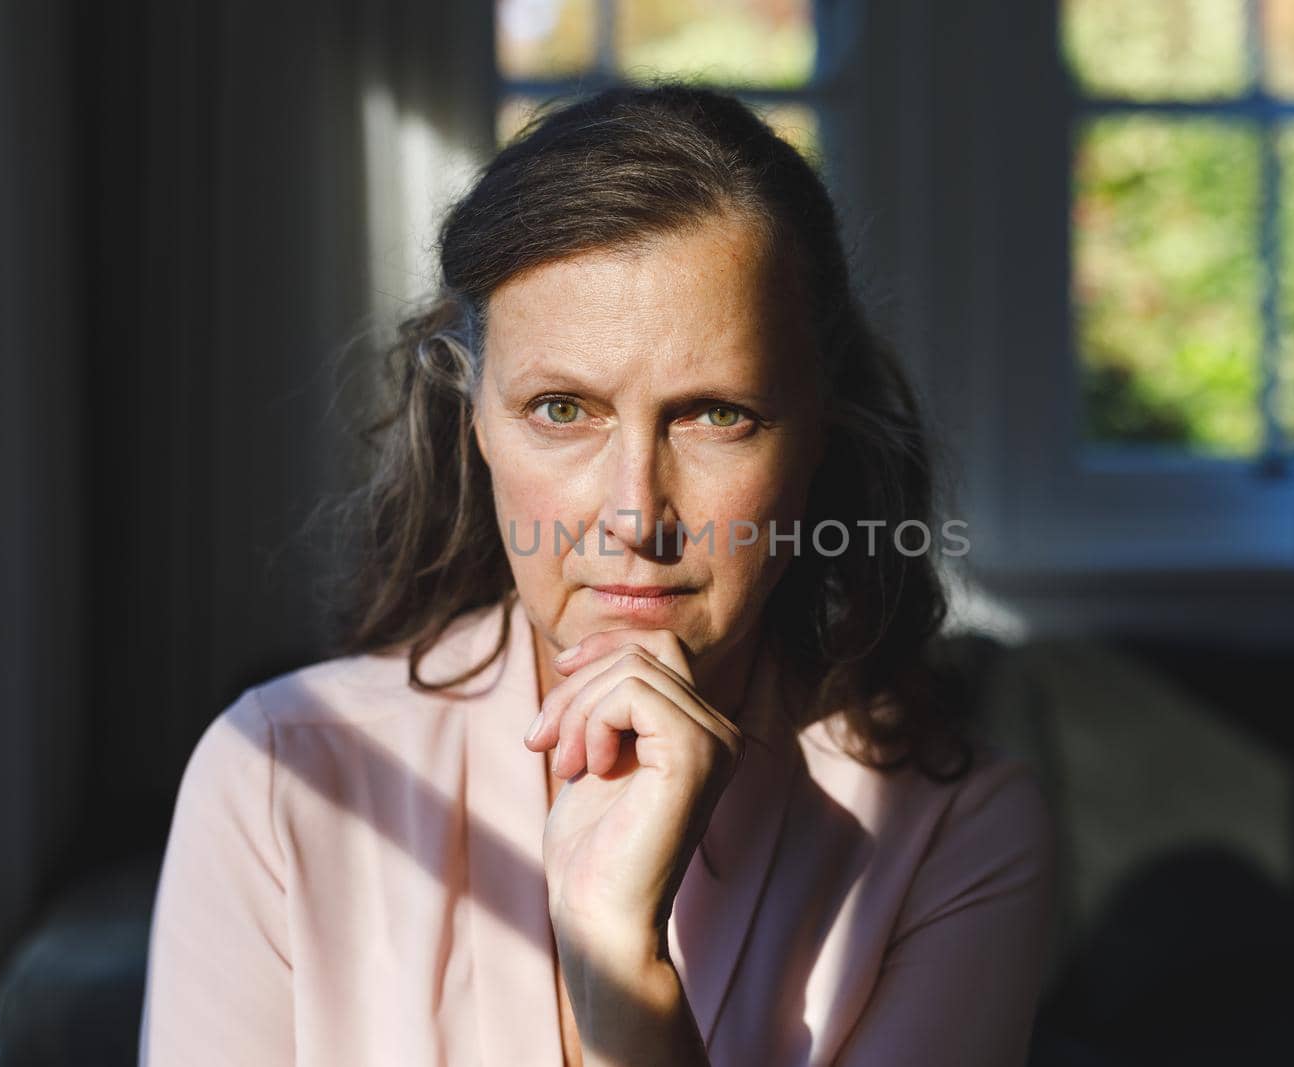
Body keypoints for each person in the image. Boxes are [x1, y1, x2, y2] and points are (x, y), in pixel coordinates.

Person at [138, 83, 1054, 1067]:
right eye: (563, 410)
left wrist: (620, 968)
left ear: (817, 437)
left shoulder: (952, 836)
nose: (633, 514)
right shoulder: (280, 777)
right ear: (473, 416)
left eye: (717, 414)